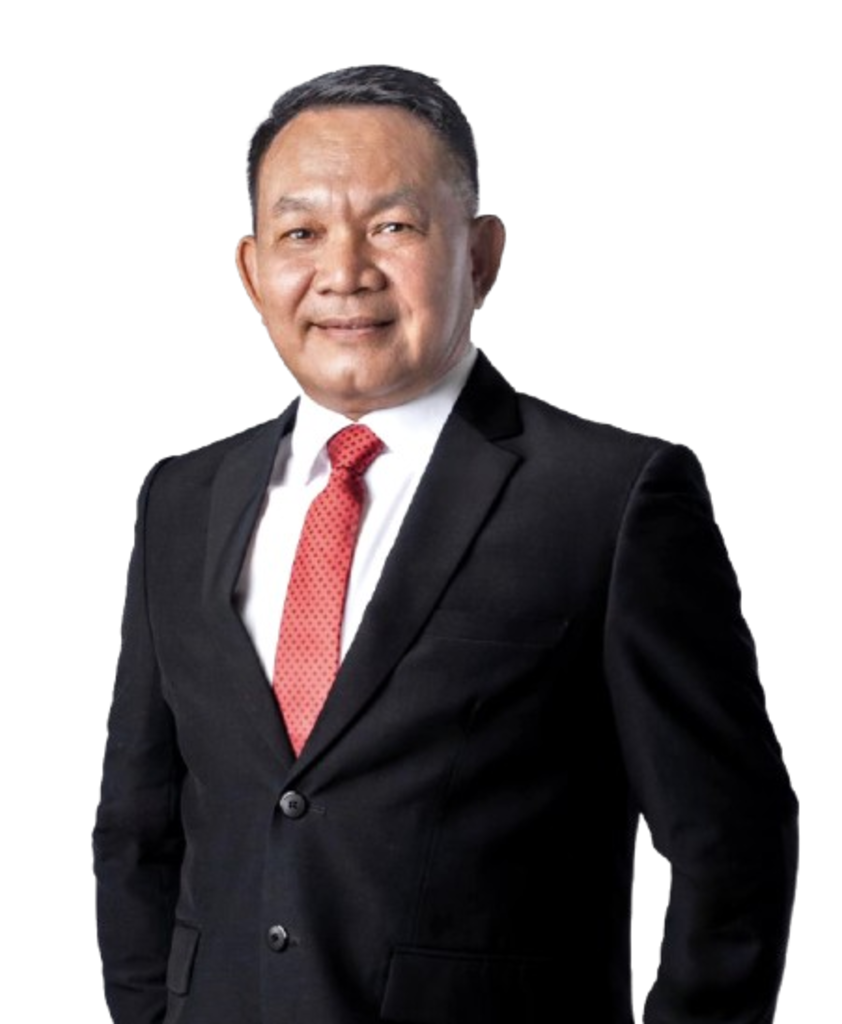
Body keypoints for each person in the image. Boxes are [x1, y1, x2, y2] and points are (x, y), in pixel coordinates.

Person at [93, 65, 798, 1024]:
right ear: (253, 272)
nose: (345, 272)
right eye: (301, 233)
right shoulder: (183, 499)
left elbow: (733, 840)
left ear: (480, 255)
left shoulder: (611, 498)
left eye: (393, 226)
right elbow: (138, 828)